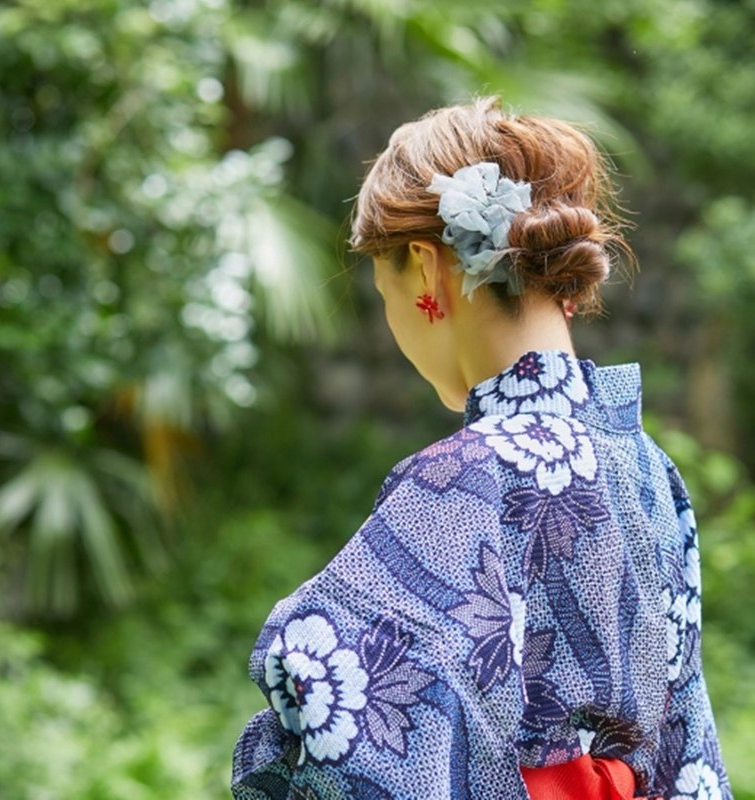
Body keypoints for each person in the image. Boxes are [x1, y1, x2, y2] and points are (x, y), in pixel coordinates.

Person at [230, 96, 732, 800]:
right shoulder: (651, 469)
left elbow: (336, 721)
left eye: (384, 289)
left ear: (424, 270)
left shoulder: (461, 480)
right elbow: (687, 743)